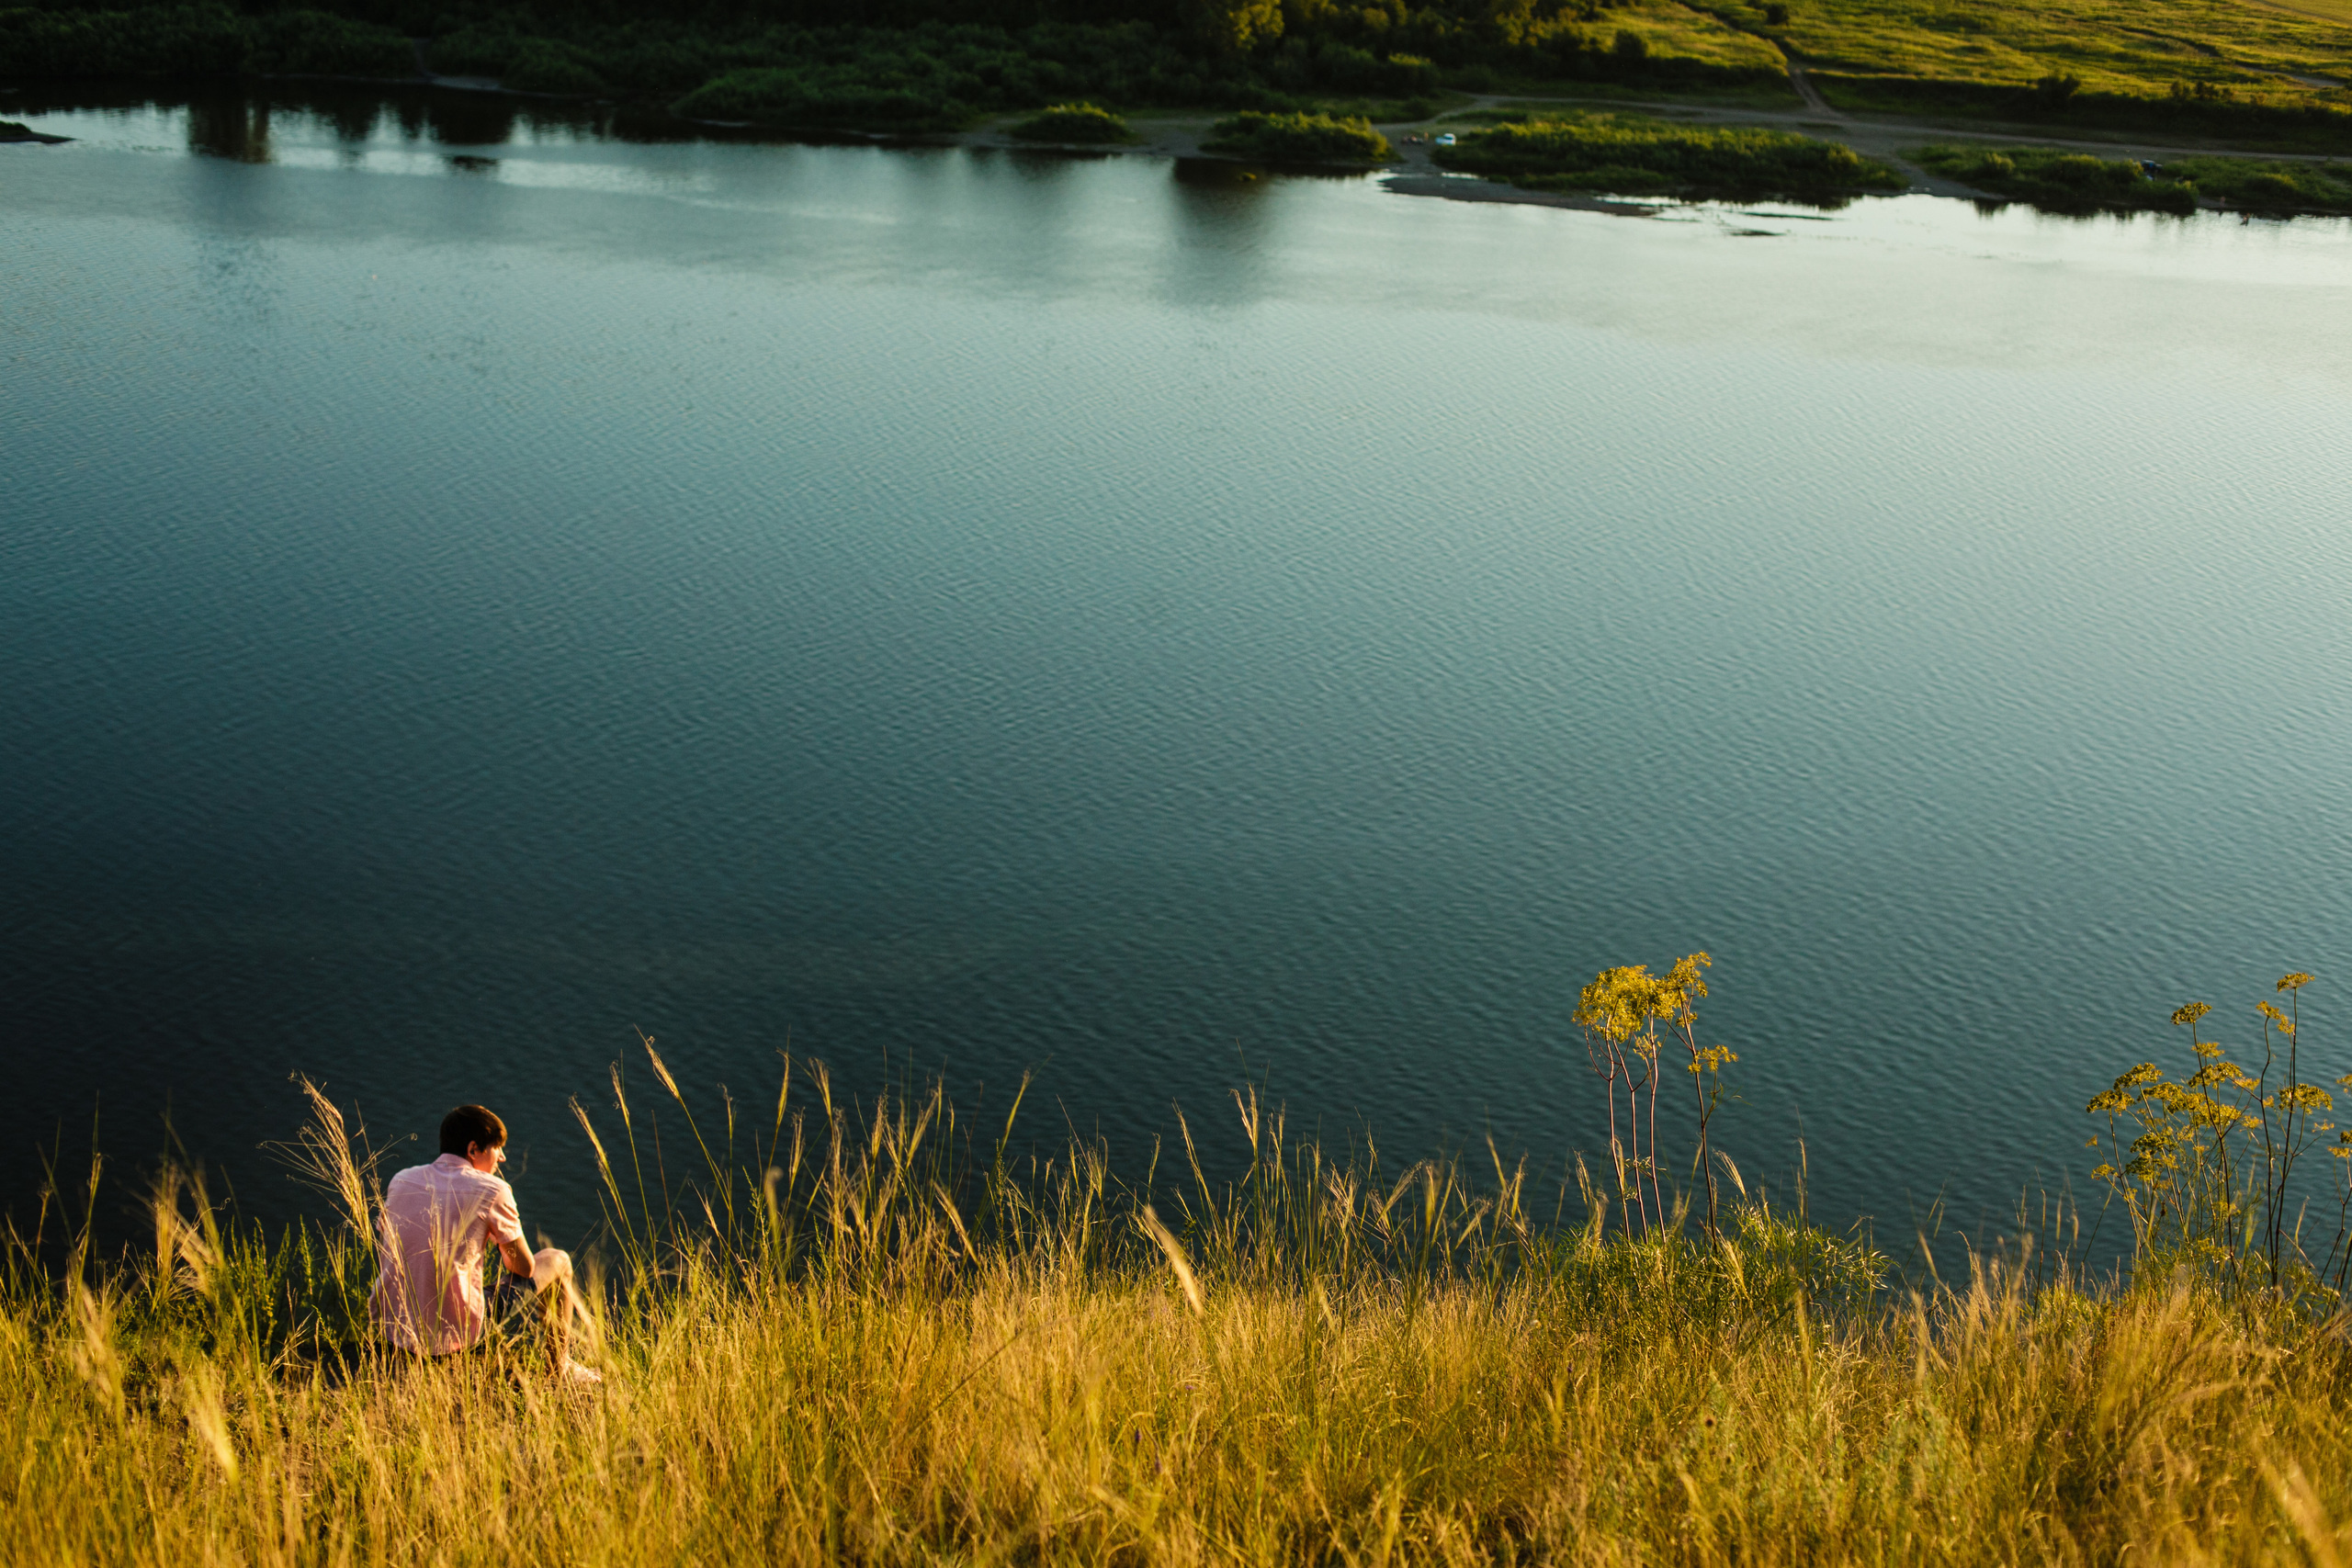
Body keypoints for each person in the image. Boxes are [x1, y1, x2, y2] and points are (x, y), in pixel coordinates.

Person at [371, 1103, 599, 1383]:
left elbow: (390, 1239)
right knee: (558, 1260)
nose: (502, 1158)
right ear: (473, 1150)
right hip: (453, 1333)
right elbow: (524, 1268)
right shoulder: (493, 1190)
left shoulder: (401, 1180)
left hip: (393, 1328)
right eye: (497, 1148)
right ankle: (559, 1370)